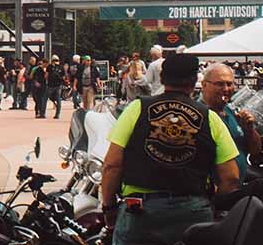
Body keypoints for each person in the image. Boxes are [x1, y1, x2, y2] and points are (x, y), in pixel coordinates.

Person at [100, 53, 240, 245]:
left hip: (140, 211)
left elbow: (112, 165)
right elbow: (231, 177)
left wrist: (108, 208)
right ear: (194, 81)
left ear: (163, 79)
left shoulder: (137, 108)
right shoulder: (210, 117)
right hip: (192, 211)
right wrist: (210, 205)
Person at [201, 63, 261, 183]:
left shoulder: (232, 111)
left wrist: (249, 129)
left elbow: (255, 151)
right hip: (214, 191)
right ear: (204, 85)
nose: (226, 89)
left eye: (229, 84)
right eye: (220, 84)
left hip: (237, 188)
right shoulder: (199, 114)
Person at [47, 55, 64, 120]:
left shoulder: (49, 67)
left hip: (51, 85)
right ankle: (57, 114)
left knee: (48, 96)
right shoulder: (61, 67)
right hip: (58, 85)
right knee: (58, 99)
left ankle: (44, 113)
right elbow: (63, 76)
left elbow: (46, 75)